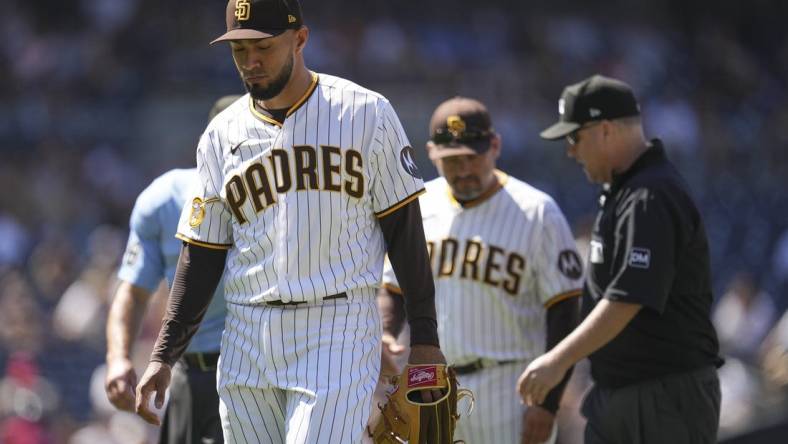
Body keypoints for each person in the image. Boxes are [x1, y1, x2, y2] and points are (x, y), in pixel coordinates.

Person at [133, 1, 446, 443]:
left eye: (263, 46)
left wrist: (425, 338)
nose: (251, 62)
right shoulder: (221, 135)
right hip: (245, 333)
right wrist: (163, 356)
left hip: (335, 323)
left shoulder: (365, 113)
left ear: (300, 39)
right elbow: (201, 255)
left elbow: (405, 233)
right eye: (239, 50)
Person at [519, 74, 724, 444]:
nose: (569, 150)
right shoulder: (625, 191)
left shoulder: (650, 194)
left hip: (663, 395)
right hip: (621, 391)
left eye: (574, 137)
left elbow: (627, 298)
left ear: (606, 130)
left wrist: (558, 360)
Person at [378, 97, 583, 444]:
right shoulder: (420, 205)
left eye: (472, 157)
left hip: (510, 388)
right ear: (431, 153)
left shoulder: (537, 212)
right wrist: (385, 332)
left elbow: (564, 312)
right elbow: (394, 290)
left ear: (495, 146)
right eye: (452, 160)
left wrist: (547, 404)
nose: (463, 169)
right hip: (432, 385)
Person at [105, 95, 241, 444]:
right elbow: (133, 292)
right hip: (188, 376)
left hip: (259, 375)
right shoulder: (163, 199)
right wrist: (118, 358)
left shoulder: (285, 202)